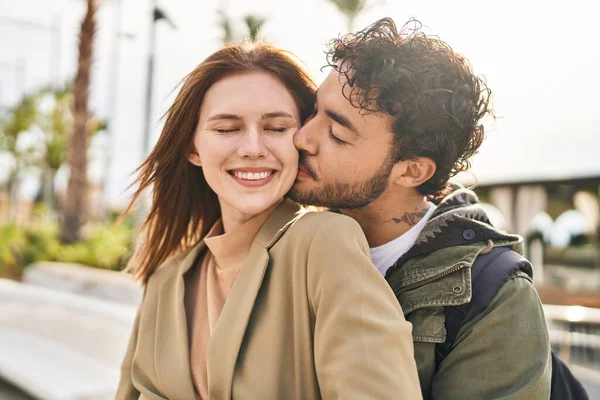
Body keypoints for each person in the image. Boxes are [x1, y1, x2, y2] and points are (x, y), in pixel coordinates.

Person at [116, 42, 422, 400]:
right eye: (227, 129)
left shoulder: (324, 244)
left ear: (302, 139)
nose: (252, 147)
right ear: (194, 148)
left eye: (276, 127)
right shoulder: (166, 280)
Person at [289, 18, 552, 400]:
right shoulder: (290, 248)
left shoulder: (497, 299)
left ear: (412, 170)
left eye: (337, 134)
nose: (302, 137)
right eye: (314, 111)